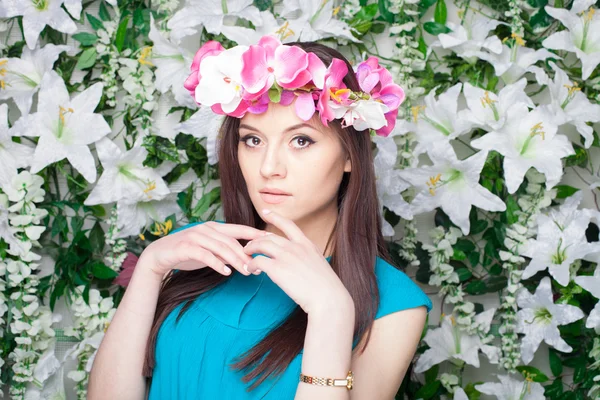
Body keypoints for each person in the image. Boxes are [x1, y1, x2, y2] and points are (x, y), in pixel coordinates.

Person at [88, 35, 433, 400]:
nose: (269, 168)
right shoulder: (194, 249)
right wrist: (150, 267)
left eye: (301, 141)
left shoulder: (394, 304)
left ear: (350, 156)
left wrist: (330, 312)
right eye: (253, 141)